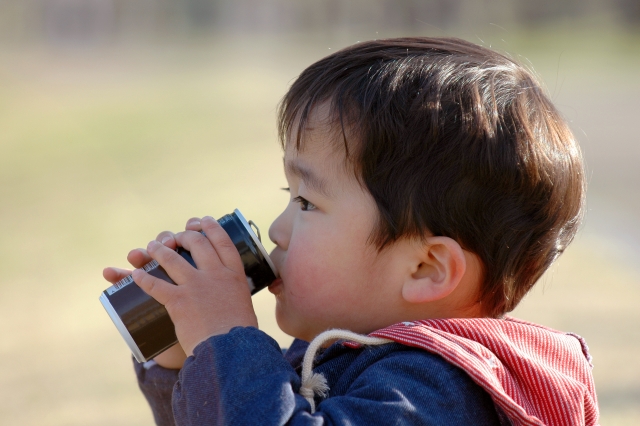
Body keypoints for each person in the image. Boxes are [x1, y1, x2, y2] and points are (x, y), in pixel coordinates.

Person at [103, 37, 599, 425]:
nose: (277, 229)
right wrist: (183, 358)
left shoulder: (437, 392)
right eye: (287, 196)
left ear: (426, 268)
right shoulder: (342, 348)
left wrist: (225, 340)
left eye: (306, 202)